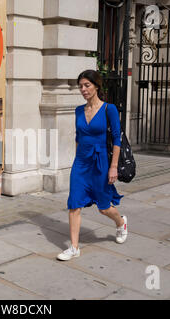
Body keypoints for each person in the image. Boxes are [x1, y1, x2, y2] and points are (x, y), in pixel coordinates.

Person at [57, 70, 128, 261]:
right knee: (74, 204)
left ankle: (121, 223)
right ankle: (74, 247)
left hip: (101, 162)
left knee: (104, 207)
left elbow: (116, 139)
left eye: (87, 85)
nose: (83, 89)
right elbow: (78, 137)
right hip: (81, 162)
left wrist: (113, 167)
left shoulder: (109, 109)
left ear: (97, 86)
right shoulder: (79, 110)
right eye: (80, 86)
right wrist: (77, 160)